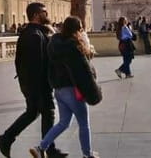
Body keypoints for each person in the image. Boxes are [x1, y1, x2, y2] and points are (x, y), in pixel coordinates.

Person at [0, 2, 67, 158]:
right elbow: (35, 65)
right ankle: (47, 148)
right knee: (47, 112)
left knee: (33, 112)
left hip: (35, 84)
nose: (47, 14)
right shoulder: (33, 36)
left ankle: (7, 138)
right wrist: (42, 87)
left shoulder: (36, 32)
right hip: (38, 84)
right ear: (36, 15)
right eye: (44, 12)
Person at [30, 16, 101, 158]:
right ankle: (88, 155)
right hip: (72, 90)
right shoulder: (73, 47)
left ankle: (40, 147)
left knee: (64, 123)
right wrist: (93, 91)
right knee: (83, 124)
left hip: (59, 90)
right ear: (75, 30)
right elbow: (83, 72)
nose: (81, 31)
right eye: (80, 29)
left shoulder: (54, 44)